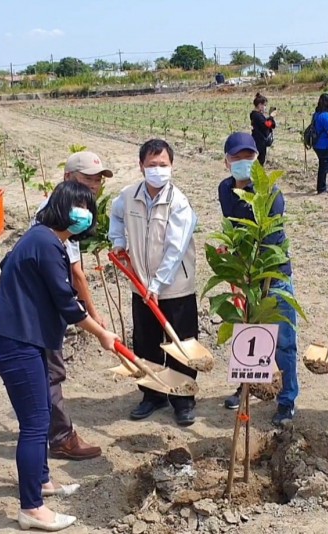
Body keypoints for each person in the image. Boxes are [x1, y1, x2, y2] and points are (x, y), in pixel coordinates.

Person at [0, 182, 120, 531]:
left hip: (24, 338)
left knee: (41, 410)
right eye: (79, 205)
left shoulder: (44, 239)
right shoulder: (45, 242)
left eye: (89, 207)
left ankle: (42, 481)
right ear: (60, 206)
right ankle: (31, 507)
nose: (84, 213)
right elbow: (67, 304)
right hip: (15, 343)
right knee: (34, 423)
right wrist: (103, 333)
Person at [109, 139, 199, 426]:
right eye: (152, 165)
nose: (158, 170)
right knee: (146, 342)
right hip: (141, 285)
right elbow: (116, 216)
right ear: (141, 167)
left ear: (172, 167)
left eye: (163, 165)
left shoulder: (179, 203)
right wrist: (119, 242)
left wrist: (158, 285)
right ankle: (152, 395)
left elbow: (175, 249)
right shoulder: (128, 196)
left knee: (181, 344)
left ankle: (183, 399)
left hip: (175, 287)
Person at [34, 152, 112, 461]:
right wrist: (95, 323)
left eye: (97, 180)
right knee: (50, 372)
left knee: (49, 372)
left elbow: (76, 271)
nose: (94, 186)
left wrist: (93, 314)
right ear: (68, 179)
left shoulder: (70, 211)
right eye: (87, 179)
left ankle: (48, 431)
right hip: (41, 312)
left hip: (46, 307)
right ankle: (61, 438)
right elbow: (71, 281)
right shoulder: (56, 216)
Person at [218, 133, 299, 426]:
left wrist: (248, 266)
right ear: (226, 161)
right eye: (237, 158)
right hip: (246, 276)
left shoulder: (270, 194)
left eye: (249, 157)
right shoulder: (225, 189)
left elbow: (270, 242)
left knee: (283, 343)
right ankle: (248, 386)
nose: (243, 163)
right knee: (249, 336)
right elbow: (232, 226)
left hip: (271, 276)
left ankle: (287, 399)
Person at [250, 93, 277, 166]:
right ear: (259, 105)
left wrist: (270, 119)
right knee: (259, 161)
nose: (265, 107)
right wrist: (271, 117)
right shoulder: (256, 115)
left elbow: (270, 124)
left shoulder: (258, 115)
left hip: (260, 141)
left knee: (260, 160)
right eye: (264, 105)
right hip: (258, 141)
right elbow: (266, 125)